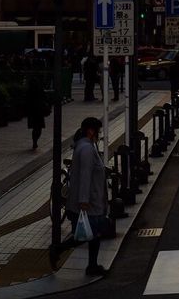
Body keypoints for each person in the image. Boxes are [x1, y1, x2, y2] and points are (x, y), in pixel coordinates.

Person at [66, 117, 107, 278]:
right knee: (91, 234)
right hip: (90, 201)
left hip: (91, 199)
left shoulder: (86, 146)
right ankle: (91, 265)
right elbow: (85, 175)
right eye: (98, 130)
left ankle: (92, 265)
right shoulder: (87, 149)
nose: (99, 133)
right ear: (91, 130)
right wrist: (84, 200)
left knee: (89, 234)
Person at [26, 74, 48, 151]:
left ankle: (34, 141)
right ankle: (35, 141)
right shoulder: (40, 90)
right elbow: (45, 99)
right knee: (38, 128)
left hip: (33, 111)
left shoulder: (29, 91)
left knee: (35, 128)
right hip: (39, 111)